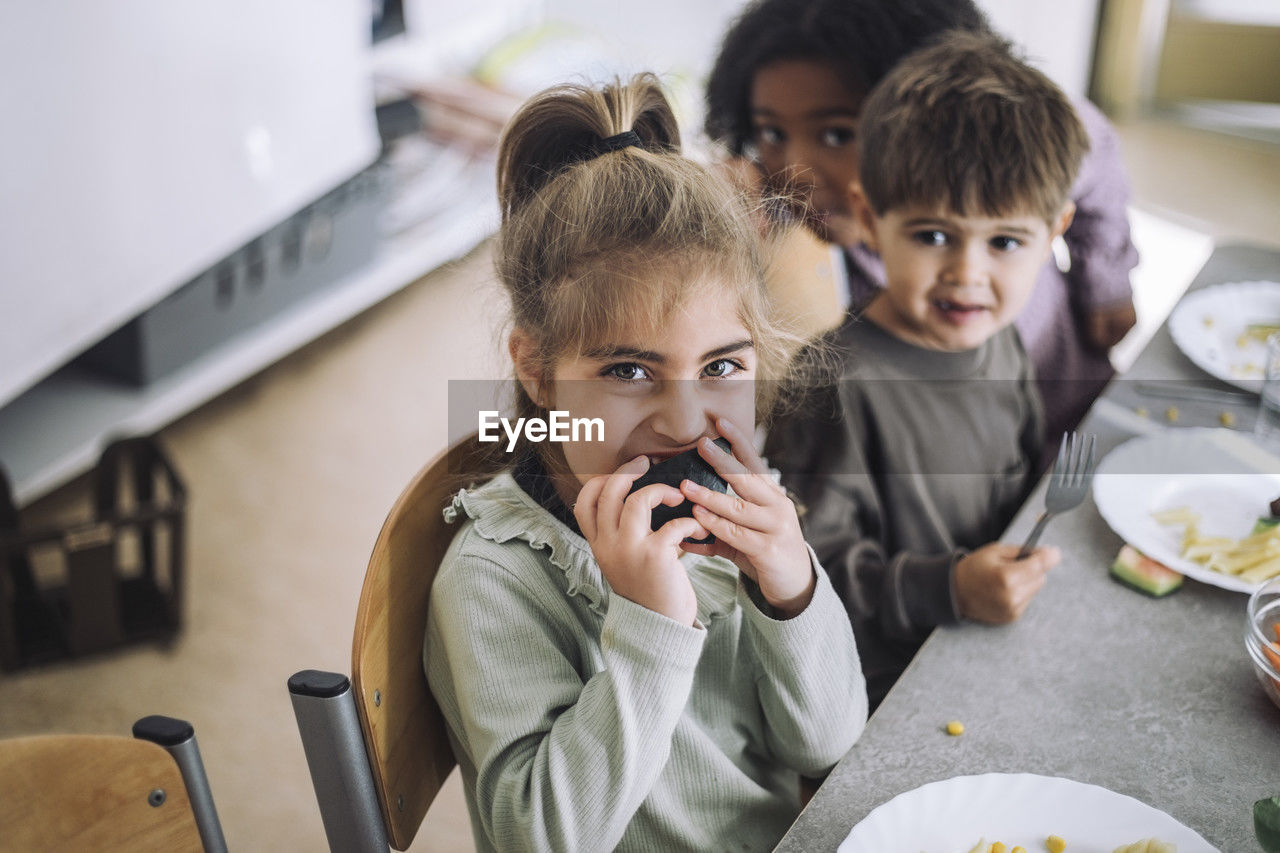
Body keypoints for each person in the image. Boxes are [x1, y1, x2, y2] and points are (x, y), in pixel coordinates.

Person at [423, 74, 866, 853]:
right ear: (536, 368)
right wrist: (652, 622)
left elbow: (826, 745)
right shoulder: (493, 576)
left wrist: (791, 585)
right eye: (630, 371)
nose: (689, 419)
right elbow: (544, 839)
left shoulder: (733, 493)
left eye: (722, 367)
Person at [763, 34, 1071, 708]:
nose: (968, 273)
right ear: (870, 218)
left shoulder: (1002, 339)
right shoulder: (835, 382)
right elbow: (803, 576)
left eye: (1006, 242)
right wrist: (952, 586)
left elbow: (1014, 477)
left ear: (1053, 234)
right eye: (933, 235)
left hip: (986, 647)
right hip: (883, 693)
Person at [705, 0, 1139, 448]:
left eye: (837, 135)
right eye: (773, 134)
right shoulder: (802, 213)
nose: (794, 172)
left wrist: (1106, 284)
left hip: (1081, 411)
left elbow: (1096, 146)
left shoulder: (1008, 148)